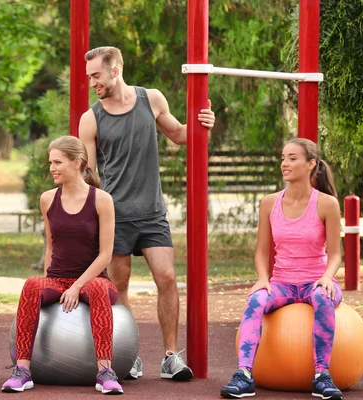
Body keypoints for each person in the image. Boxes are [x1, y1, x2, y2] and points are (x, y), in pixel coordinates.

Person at [78, 46, 216, 381]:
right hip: (116, 215)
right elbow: (88, 174)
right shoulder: (91, 118)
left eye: (96, 75)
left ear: (115, 69)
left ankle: (170, 356)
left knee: (166, 278)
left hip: (152, 212)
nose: (92, 82)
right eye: (89, 77)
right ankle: (129, 355)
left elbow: (180, 135)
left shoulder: (151, 99)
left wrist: (203, 126)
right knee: (119, 285)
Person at [220, 138, 343, 400]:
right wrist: (263, 279)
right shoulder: (269, 203)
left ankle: (322, 375)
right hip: (282, 283)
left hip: (316, 282)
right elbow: (262, 252)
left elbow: (335, 254)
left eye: (292, 158)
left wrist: (326, 277)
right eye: (283, 158)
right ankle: (244, 375)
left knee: (323, 296)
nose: (284, 164)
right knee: (255, 301)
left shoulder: (327, 204)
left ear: (311, 164)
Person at [1, 136, 122, 395]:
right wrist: (48, 285)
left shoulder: (101, 200)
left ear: (77, 162)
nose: (52, 168)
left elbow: (105, 254)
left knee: (99, 289)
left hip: (94, 280)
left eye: (58, 162)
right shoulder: (47, 199)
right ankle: (22, 370)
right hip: (58, 278)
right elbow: (50, 247)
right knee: (32, 285)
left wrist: (77, 286)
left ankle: (105, 372)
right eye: (50, 162)